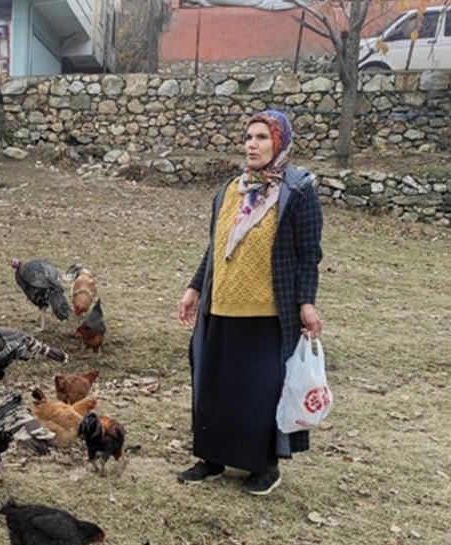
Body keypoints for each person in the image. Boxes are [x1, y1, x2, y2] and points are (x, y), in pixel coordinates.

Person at [176, 109, 323, 496]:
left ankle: (264, 467)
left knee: (259, 391)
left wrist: (306, 302)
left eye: (261, 137)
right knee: (214, 386)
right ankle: (210, 458)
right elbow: (215, 245)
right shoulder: (230, 190)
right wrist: (194, 288)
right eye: (248, 137)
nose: (251, 144)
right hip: (221, 304)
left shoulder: (298, 191)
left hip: (267, 312)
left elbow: (309, 253)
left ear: (280, 143)